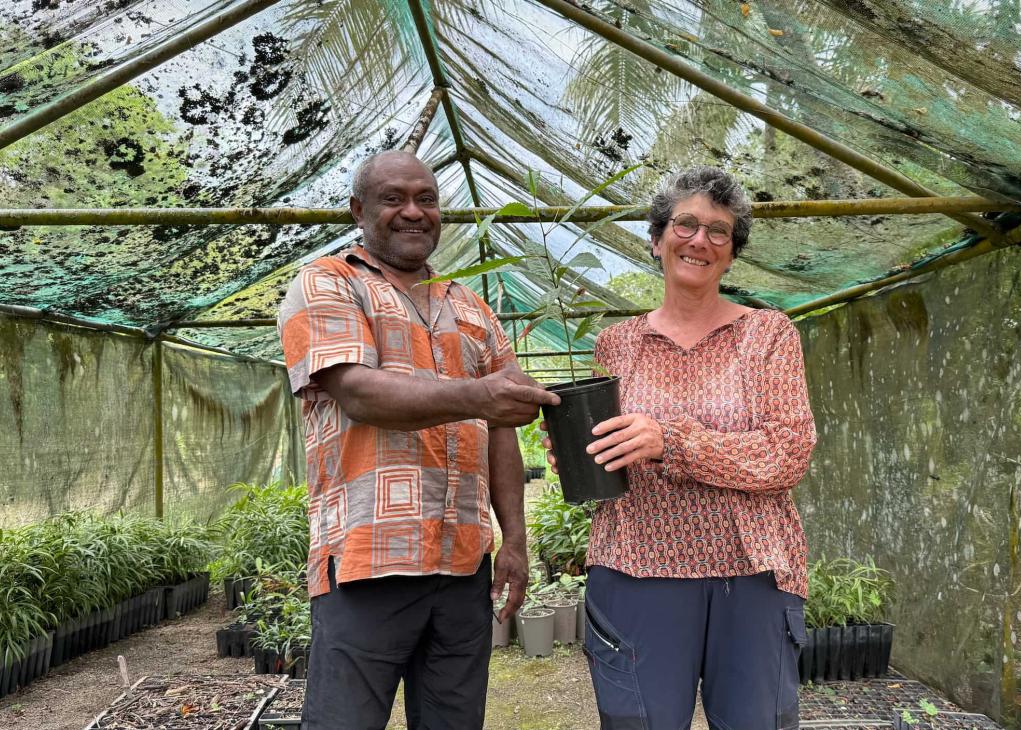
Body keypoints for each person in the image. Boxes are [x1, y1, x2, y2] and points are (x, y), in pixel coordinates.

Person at [277, 150, 559, 730]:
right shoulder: (329, 282)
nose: (413, 212)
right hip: (369, 561)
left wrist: (514, 541)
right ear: (359, 210)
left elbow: (502, 427)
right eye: (393, 199)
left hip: (462, 565)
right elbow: (358, 393)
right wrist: (480, 395)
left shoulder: (470, 307)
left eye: (426, 199)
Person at [545, 166, 817, 730]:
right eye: (686, 224)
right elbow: (607, 444)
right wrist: (582, 453)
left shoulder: (768, 334)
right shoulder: (619, 343)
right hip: (636, 568)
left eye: (719, 231)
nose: (700, 240)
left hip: (750, 576)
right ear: (656, 239)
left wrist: (671, 442)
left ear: (731, 252)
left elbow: (789, 453)